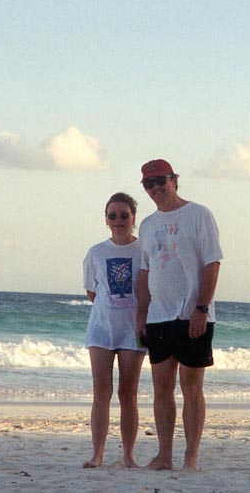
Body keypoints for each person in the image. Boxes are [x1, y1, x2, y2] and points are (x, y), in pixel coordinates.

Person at [135, 159, 223, 471]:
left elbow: (212, 263)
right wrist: (141, 315)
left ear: (174, 180)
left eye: (161, 180)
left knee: (191, 387)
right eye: (149, 183)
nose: (156, 188)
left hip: (192, 315)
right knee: (161, 389)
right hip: (159, 317)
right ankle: (164, 455)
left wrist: (200, 309)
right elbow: (145, 273)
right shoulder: (146, 225)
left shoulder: (199, 215)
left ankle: (191, 457)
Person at [82, 192, 146, 468]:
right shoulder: (96, 252)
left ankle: (129, 455)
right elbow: (91, 292)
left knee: (128, 394)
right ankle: (97, 454)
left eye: (124, 215)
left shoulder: (144, 250)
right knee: (101, 392)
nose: (118, 220)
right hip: (101, 330)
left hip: (133, 331)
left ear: (133, 218)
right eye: (112, 215)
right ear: (105, 219)